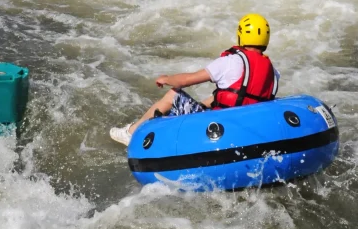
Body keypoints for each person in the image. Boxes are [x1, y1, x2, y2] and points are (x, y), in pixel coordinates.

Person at [110, 13, 278, 146]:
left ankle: (130, 133)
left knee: (173, 95)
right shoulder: (273, 72)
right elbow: (237, 96)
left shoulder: (230, 62)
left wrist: (167, 78)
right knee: (222, 94)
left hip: (220, 126)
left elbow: (186, 80)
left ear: (241, 35)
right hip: (248, 131)